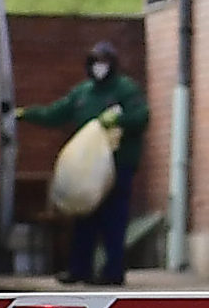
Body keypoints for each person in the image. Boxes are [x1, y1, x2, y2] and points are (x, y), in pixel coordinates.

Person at [23, 39, 151, 286]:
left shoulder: (125, 90)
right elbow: (56, 113)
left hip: (117, 166)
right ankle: (79, 269)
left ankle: (112, 272)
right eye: (95, 62)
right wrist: (27, 114)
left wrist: (117, 122)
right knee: (84, 219)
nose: (99, 67)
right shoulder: (83, 93)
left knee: (113, 219)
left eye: (104, 62)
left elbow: (141, 117)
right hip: (89, 171)